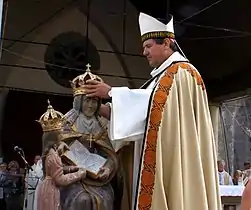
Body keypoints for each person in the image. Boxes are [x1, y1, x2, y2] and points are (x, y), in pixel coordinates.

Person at [83, 12, 221, 210]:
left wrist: (112, 92)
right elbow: (143, 115)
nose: (144, 52)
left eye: (148, 46)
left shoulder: (181, 72)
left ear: (166, 43)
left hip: (174, 164)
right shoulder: (161, 77)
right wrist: (101, 108)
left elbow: (157, 107)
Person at [60, 67, 121, 210]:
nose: (91, 105)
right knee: (82, 199)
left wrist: (108, 168)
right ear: (79, 101)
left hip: (96, 178)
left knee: (105, 199)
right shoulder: (67, 122)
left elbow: (110, 154)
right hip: (73, 175)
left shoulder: (102, 124)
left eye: (94, 101)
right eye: (87, 101)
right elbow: (54, 150)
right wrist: (69, 165)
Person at [36, 100, 86, 210]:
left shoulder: (50, 151)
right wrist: (79, 174)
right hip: (51, 190)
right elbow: (61, 180)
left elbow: (55, 170)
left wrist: (71, 168)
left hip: (47, 186)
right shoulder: (52, 155)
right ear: (53, 137)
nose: (62, 136)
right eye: (60, 134)